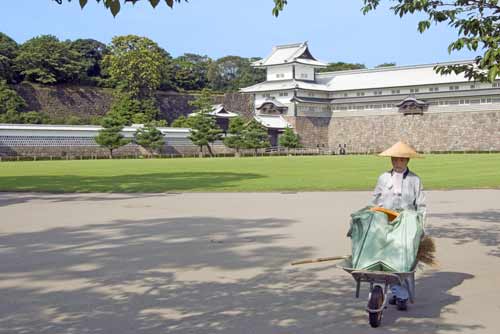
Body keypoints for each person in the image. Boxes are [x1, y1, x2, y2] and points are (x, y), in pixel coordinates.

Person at [371, 141, 426, 310]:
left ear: (407, 161)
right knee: (387, 260)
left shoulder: (414, 180)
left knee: (404, 262)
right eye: (395, 160)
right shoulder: (383, 178)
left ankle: (400, 294)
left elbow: (421, 205)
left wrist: (421, 227)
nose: (398, 163)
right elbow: (375, 201)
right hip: (386, 224)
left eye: (401, 160)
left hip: (407, 225)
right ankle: (399, 293)